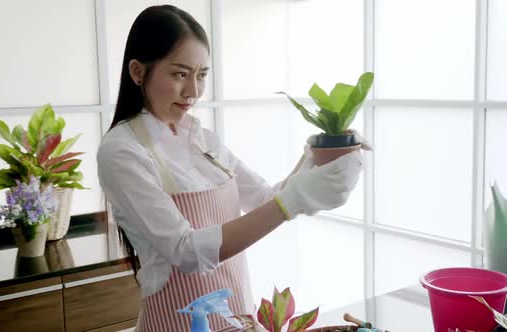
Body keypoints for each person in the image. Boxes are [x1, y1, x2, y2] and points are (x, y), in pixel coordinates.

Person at [97, 5, 363, 332]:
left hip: (237, 318)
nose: (193, 90)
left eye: (202, 75)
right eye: (180, 74)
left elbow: (265, 198)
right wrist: (293, 201)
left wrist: (318, 153)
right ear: (138, 72)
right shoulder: (122, 151)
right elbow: (186, 252)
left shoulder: (203, 139)